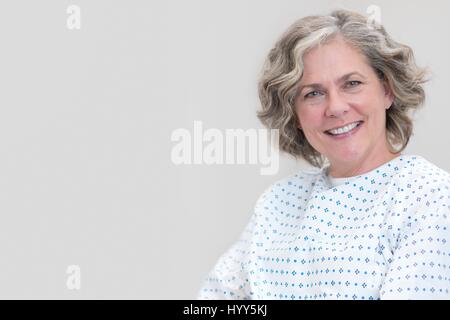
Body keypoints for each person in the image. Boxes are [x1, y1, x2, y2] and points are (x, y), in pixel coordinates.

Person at [197, 9, 450, 300]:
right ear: (294, 113)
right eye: (313, 93)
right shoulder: (278, 202)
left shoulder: (429, 197)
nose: (335, 107)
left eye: (352, 84)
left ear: (387, 90)